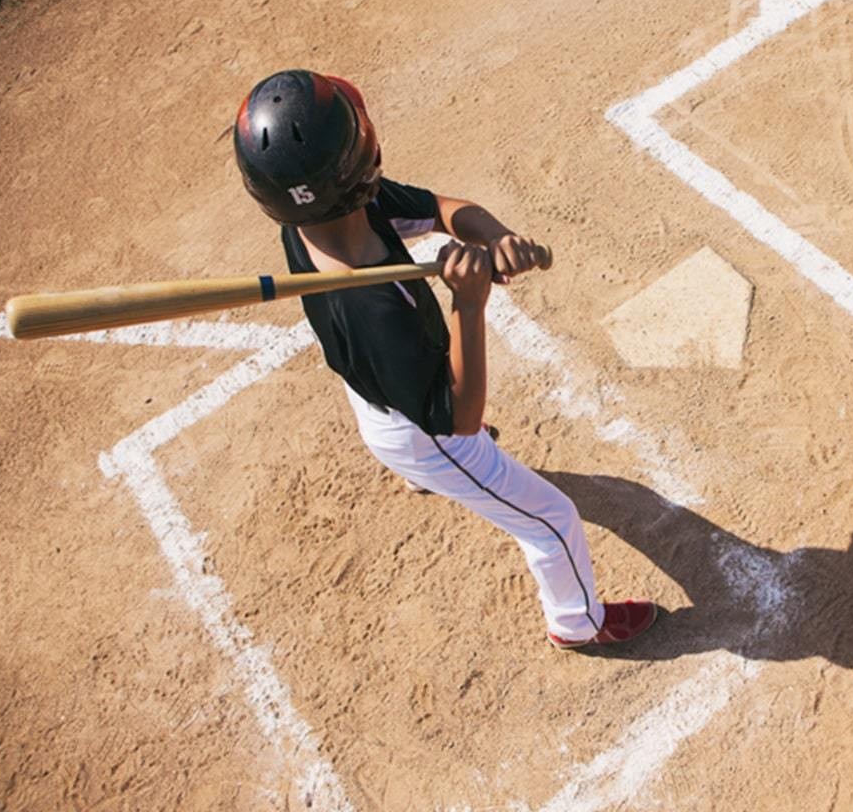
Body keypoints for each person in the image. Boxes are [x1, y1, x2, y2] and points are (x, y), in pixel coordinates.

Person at [232, 68, 657, 650]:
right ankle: (576, 623)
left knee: (406, 404)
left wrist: (496, 235)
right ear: (358, 165)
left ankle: (420, 478)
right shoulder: (373, 308)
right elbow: (460, 418)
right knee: (552, 519)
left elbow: (440, 209)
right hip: (423, 434)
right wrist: (469, 303)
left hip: (378, 393)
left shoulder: (326, 216)